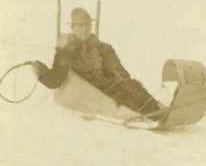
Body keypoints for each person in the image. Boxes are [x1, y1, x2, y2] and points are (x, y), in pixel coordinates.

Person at [31, 7, 161, 116]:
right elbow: (55, 81)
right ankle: (144, 115)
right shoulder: (66, 53)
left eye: (88, 25)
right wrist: (41, 71)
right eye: (81, 26)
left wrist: (120, 78)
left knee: (132, 86)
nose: (85, 30)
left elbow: (121, 72)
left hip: (105, 86)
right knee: (123, 94)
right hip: (87, 92)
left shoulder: (101, 47)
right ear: (73, 27)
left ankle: (157, 112)